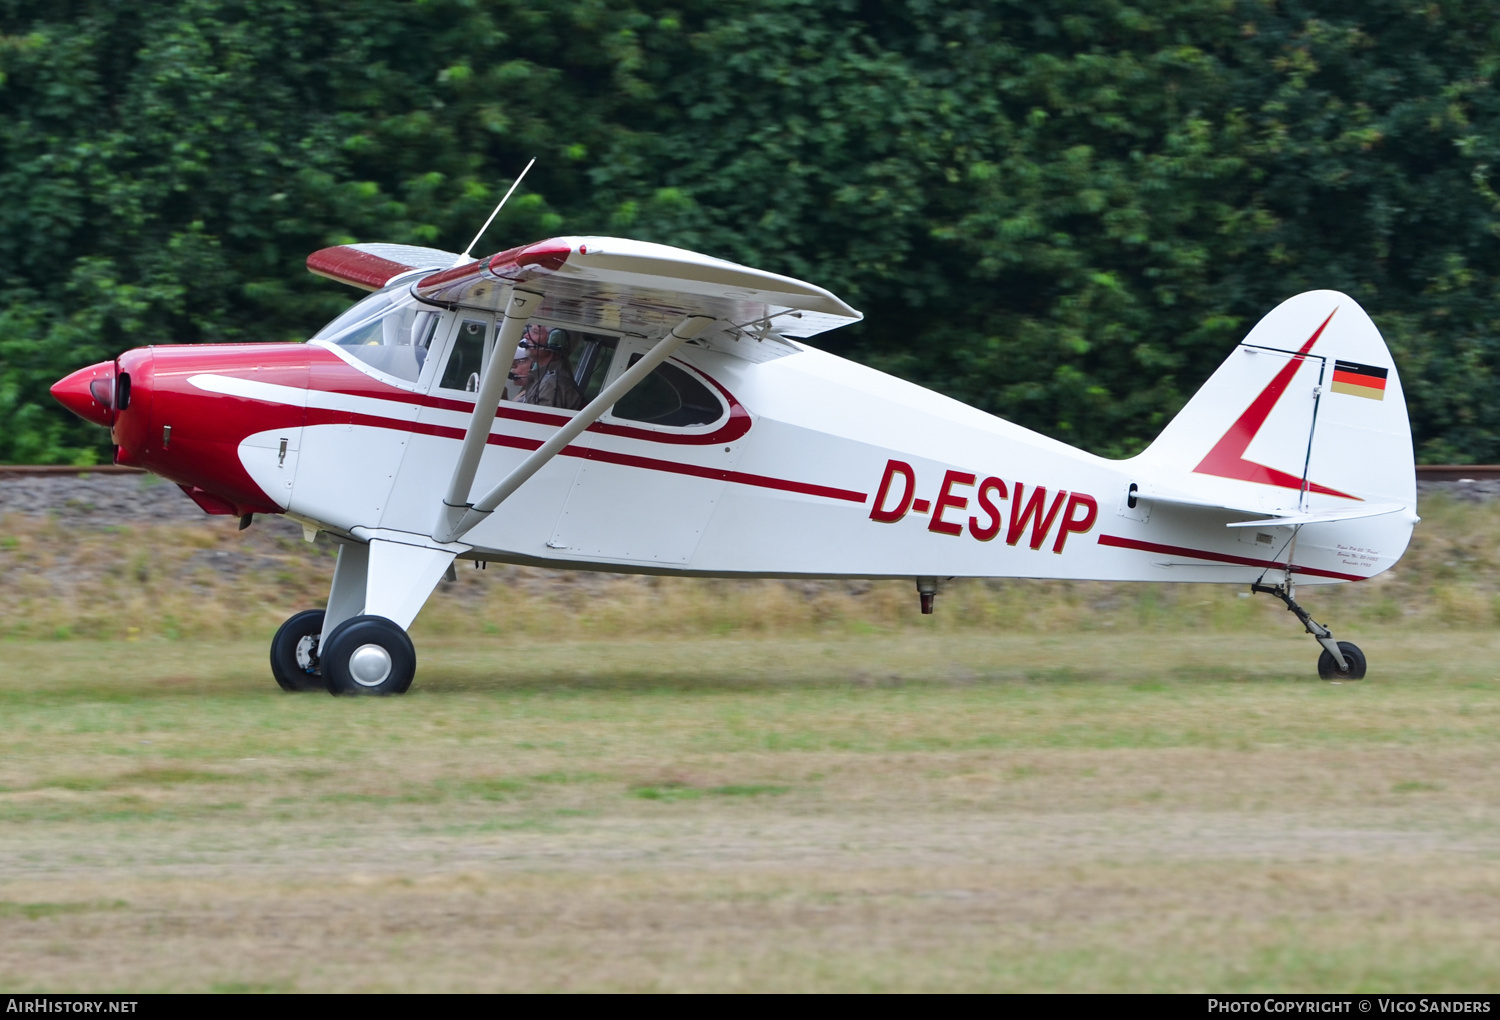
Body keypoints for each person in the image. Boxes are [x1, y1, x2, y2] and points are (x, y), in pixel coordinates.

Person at [517, 325, 583, 410]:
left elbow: (537, 421)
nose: (526, 336)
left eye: (535, 331)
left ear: (555, 341)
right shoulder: (543, 378)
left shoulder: (550, 385)